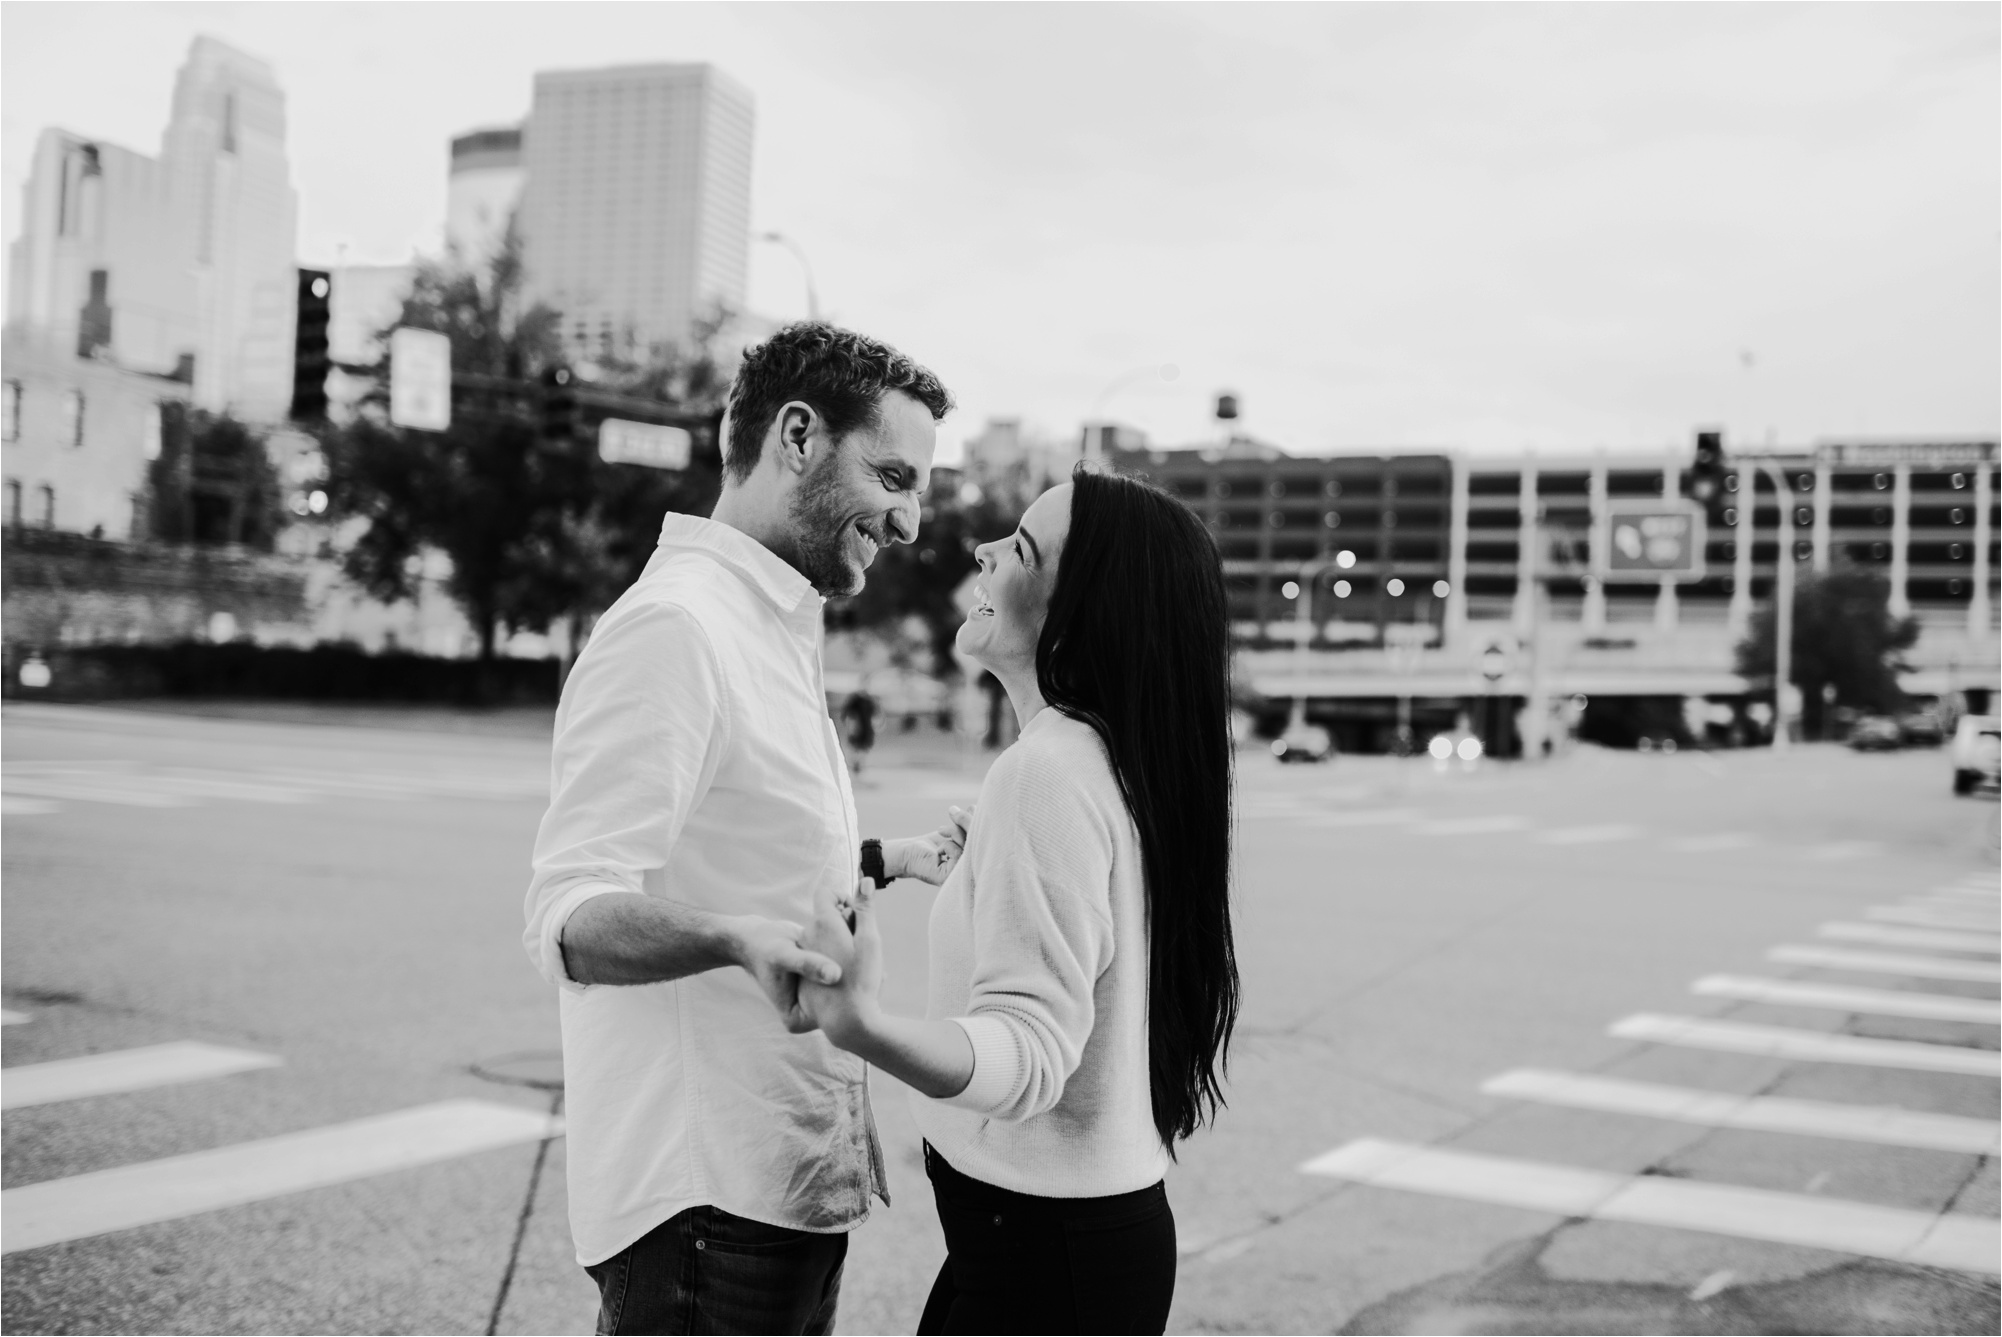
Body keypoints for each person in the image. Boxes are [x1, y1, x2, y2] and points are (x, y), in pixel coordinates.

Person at [523, 323, 964, 1336]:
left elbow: (743, 849)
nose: (905, 521)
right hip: (705, 1200)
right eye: (892, 474)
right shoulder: (679, 626)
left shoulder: (768, 620)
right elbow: (569, 911)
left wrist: (882, 861)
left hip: (780, 1181)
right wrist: (732, 940)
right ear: (797, 436)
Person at [800, 467, 1240, 1335]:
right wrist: (964, 869)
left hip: (1045, 1260)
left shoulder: (1048, 771)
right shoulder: (1112, 759)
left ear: (1077, 614)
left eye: (1020, 549)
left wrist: (863, 1024)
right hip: (1061, 1245)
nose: (983, 550)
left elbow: (1032, 1053)